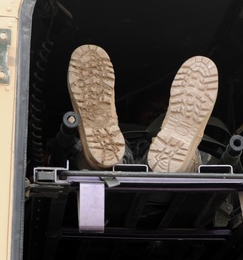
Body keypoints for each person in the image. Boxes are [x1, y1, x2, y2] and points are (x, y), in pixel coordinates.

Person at [66, 44, 220, 172]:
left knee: (168, 160)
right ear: (136, 109)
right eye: (152, 107)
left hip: (162, 176)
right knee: (111, 153)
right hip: (121, 164)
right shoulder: (121, 136)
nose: (157, 113)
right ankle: (100, 154)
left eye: (164, 112)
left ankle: (180, 161)